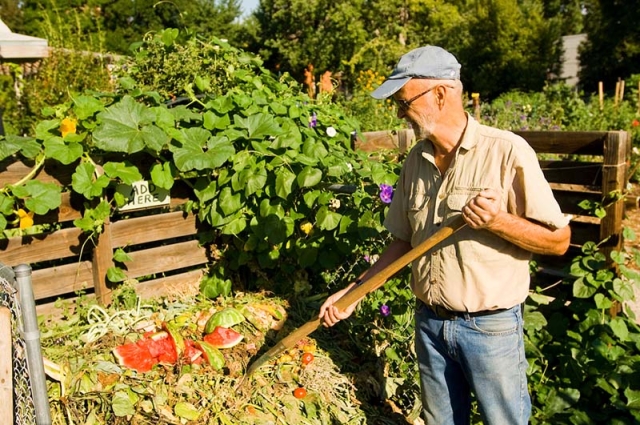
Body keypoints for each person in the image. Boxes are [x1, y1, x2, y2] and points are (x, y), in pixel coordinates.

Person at [318, 46, 571, 425]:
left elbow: (559, 241)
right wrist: (354, 292)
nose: (400, 112)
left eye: (404, 101)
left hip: (489, 328)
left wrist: (497, 221)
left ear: (441, 93)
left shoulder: (506, 152)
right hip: (430, 324)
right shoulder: (415, 161)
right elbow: (403, 242)